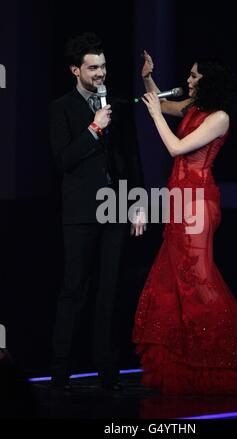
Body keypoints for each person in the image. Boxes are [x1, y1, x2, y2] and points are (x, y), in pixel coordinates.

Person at [132, 51, 237, 395]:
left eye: (193, 76)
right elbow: (163, 106)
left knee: (200, 285)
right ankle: (190, 362)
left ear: (208, 81)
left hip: (198, 204)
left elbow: (176, 147)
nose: (188, 81)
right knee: (174, 283)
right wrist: (148, 78)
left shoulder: (219, 118)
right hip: (179, 202)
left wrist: (152, 114)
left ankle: (234, 359)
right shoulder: (194, 108)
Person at [50, 33, 145, 391]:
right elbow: (63, 160)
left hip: (116, 210)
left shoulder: (116, 106)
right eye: (93, 68)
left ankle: (108, 370)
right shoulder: (60, 108)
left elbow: (131, 158)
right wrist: (93, 129)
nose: (100, 73)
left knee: (111, 291)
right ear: (76, 70)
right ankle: (60, 370)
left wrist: (138, 204)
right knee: (74, 290)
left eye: (103, 66)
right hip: (79, 213)